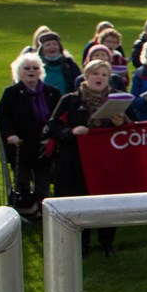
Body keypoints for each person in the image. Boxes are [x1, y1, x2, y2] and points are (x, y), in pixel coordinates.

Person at [45, 58, 126, 257]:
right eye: (95, 73)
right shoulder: (70, 100)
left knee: (107, 201)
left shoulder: (118, 100)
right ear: (86, 76)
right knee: (77, 202)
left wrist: (121, 122)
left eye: (104, 74)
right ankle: (80, 246)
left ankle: (107, 242)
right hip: (74, 162)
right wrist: (71, 132)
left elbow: (132, 128)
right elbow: (51, 127)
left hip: (106, 162)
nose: (99, 78)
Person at [0, 50, 60, 217]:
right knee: (22, 179)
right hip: (21, 144)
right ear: (19, 72)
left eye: (35, 67)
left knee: (43, 179)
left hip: (44, 146)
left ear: (41, 71)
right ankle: (24, 211)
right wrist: (10, 135)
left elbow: (58, 116)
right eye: (26, 68)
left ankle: (44, 211)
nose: (31, 71)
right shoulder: (11, 93)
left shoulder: (52, 92)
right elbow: (3, 116)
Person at [36, 30, 80, 98]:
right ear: (42, 50)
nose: (52, 47)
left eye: (55, 44)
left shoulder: (70, 65)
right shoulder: (35, 66)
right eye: (48, 45)